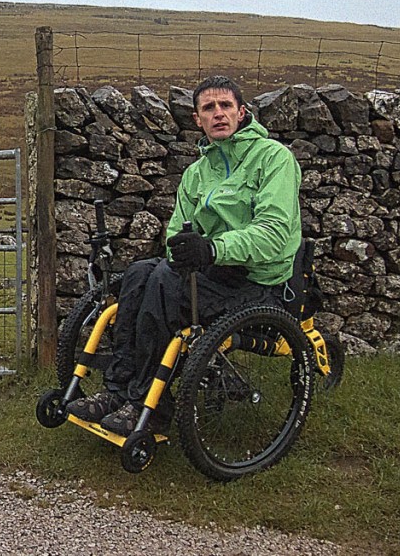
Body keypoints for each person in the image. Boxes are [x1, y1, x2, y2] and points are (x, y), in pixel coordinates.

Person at [66, 75, 303, 436]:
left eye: (226, 106)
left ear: (242, 113)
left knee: (163, 282)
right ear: (197, 119)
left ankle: (150, 404)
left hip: (258, 280)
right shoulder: (196, 172)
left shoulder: (274, 159)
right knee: (139, 273)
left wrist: (212, 249)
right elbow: (177, 231)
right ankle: (119, 392)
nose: (218, 114)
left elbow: (272, 235)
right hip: (213, 271)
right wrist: (184, 249)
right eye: (209, 108)